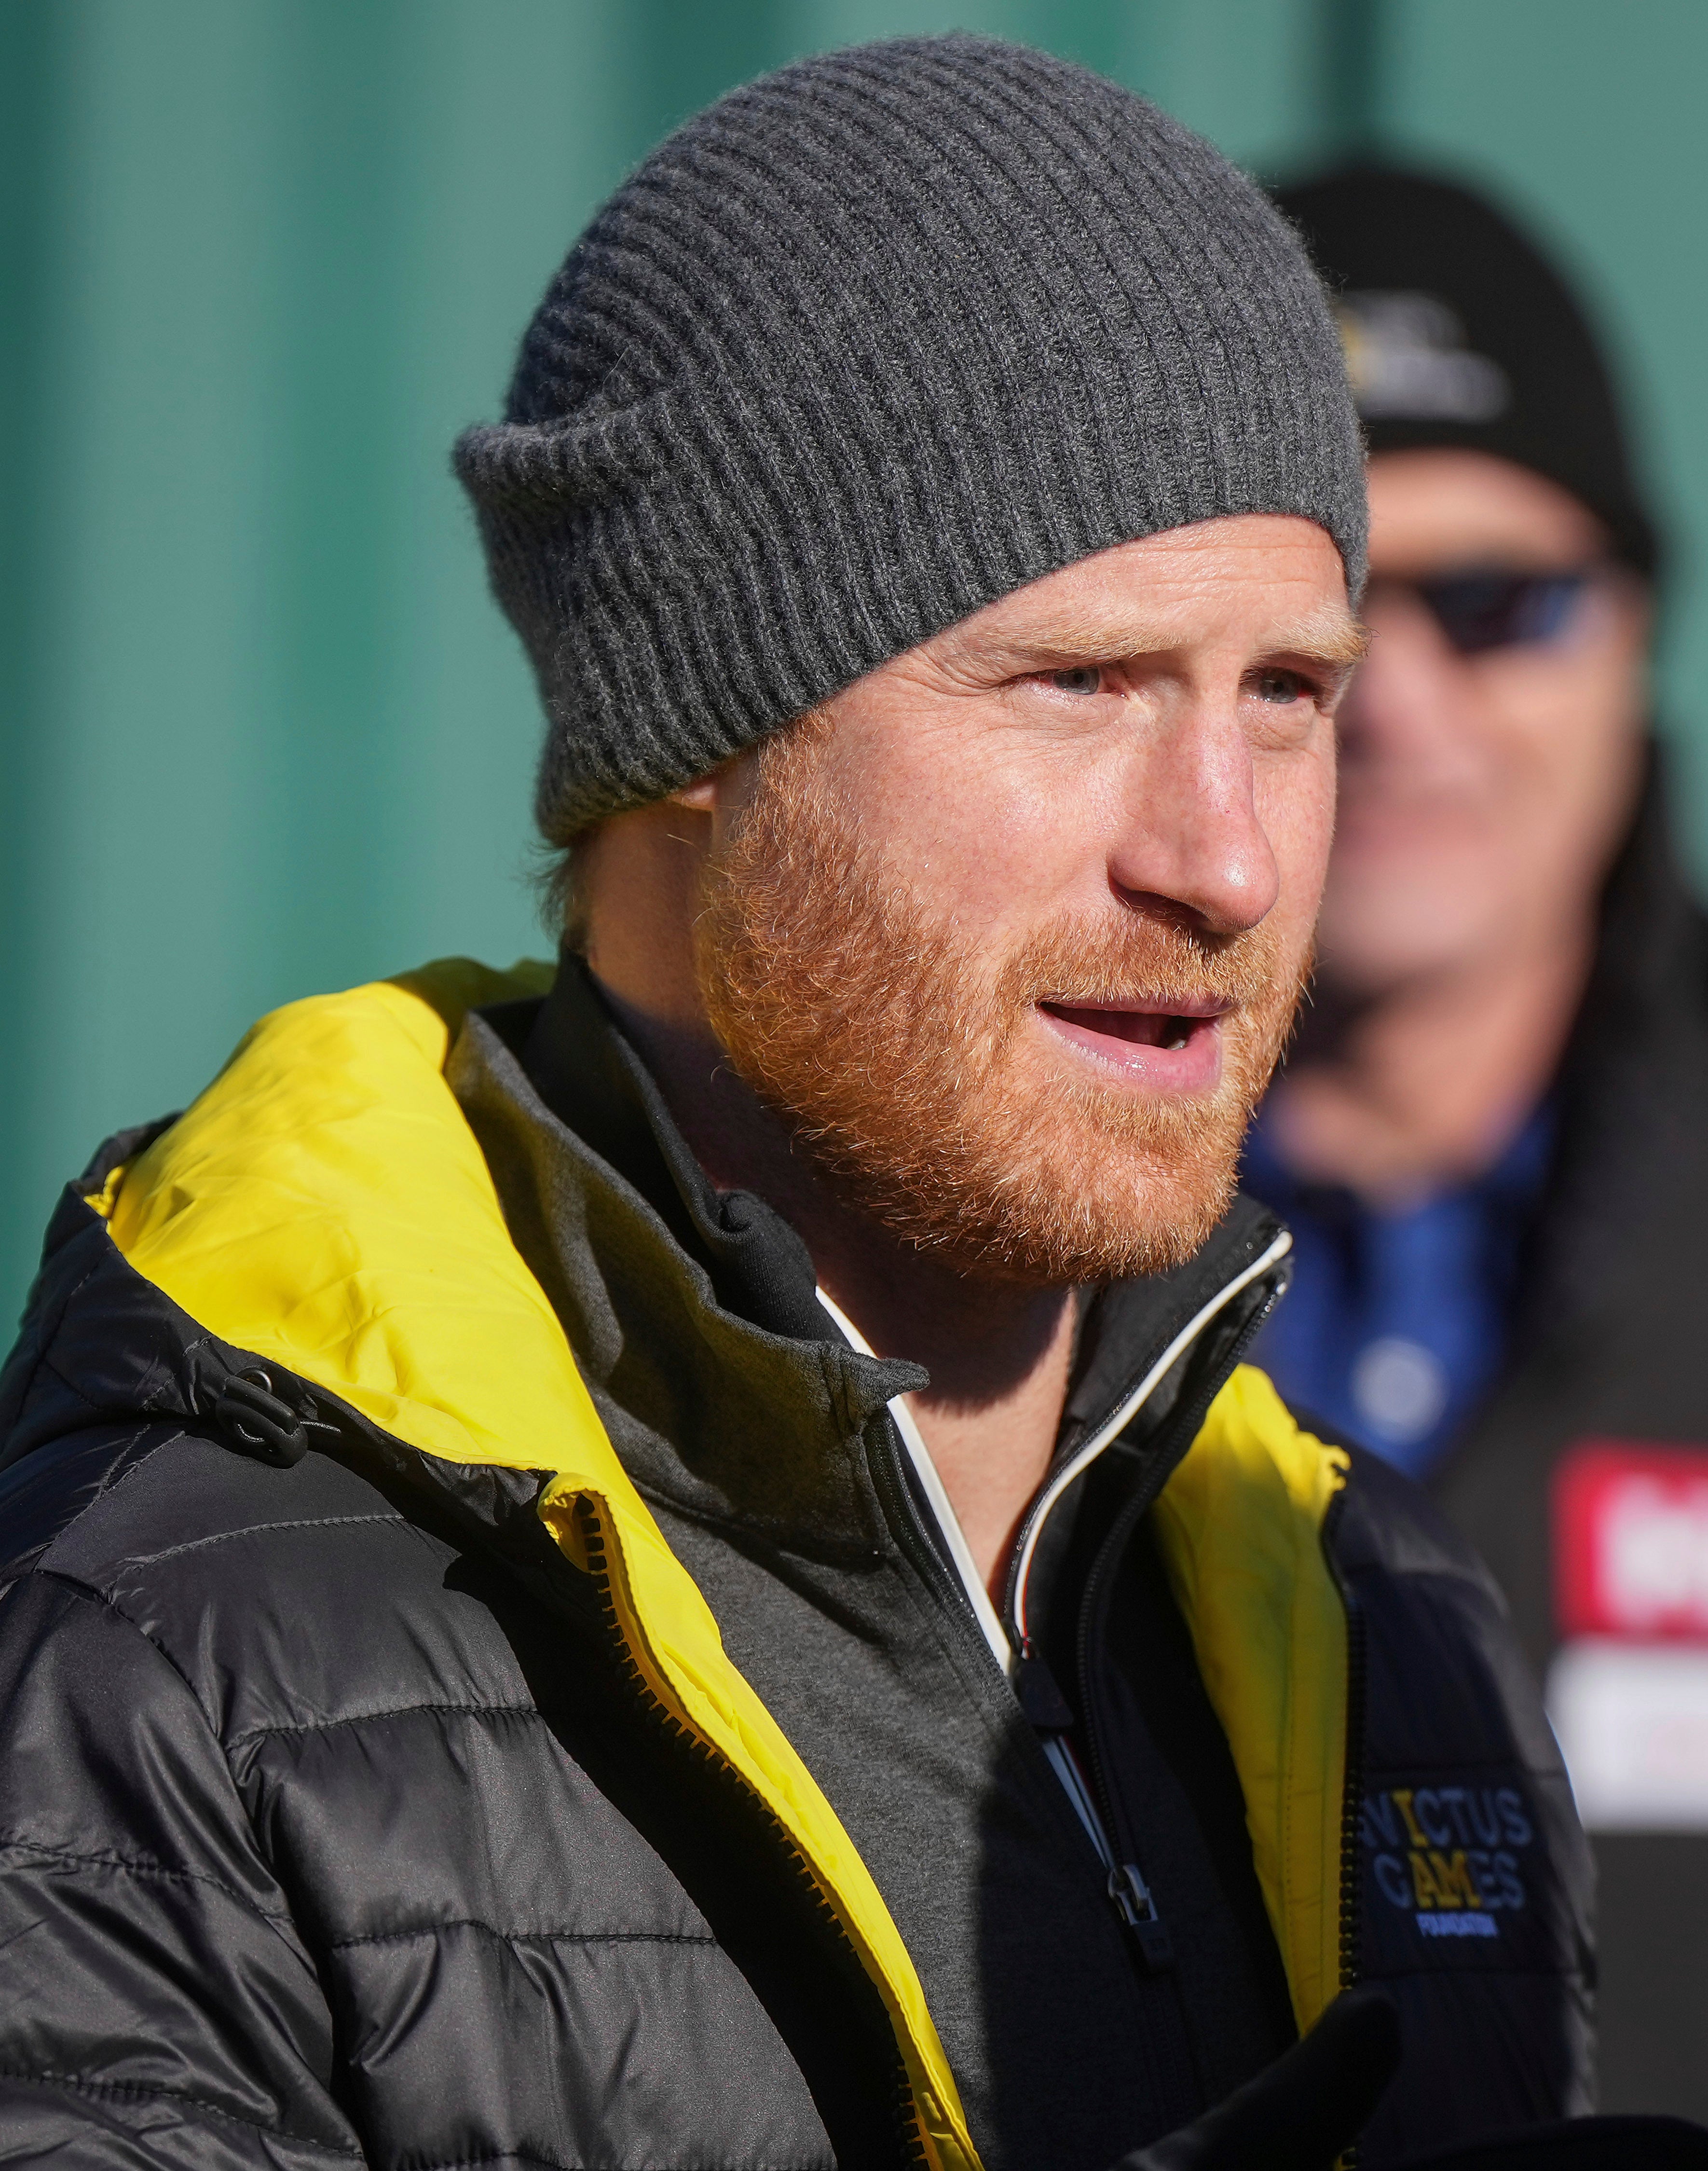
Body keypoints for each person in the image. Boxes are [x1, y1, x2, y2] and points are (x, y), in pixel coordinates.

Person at [4, 44, 1691, 2171]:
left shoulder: (1380, 1626)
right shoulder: (173, 1678)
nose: (1232, 862)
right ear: (696, 724)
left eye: (1287, 696)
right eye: (1079, 683)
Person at [1248, 165, 1708, 2118]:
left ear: (1635, 631)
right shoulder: (941, 1251)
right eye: (1319, 627)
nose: (1401, 709)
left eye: (1494, 604)